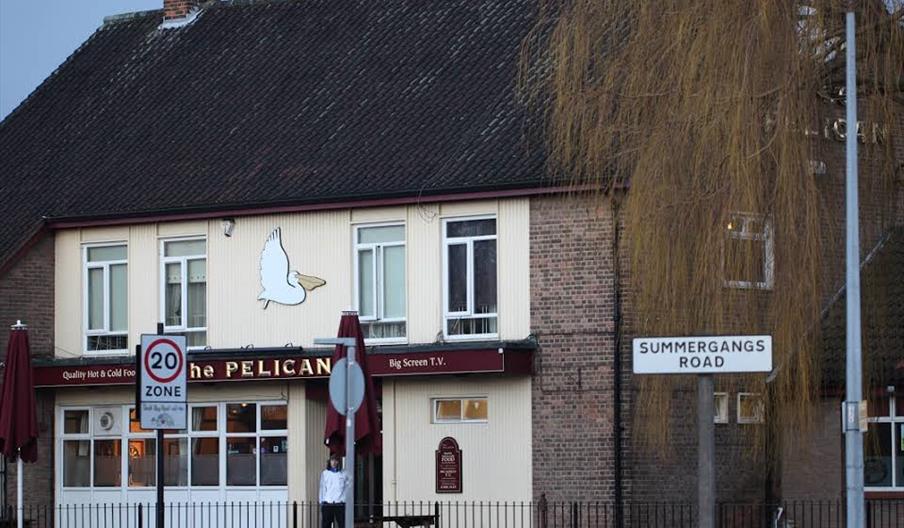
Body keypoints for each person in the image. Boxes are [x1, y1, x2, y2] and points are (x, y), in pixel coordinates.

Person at [319, 453, 348, 528]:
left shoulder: (344, 473)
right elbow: (322, 488)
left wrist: (344, 500)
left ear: (338, 462)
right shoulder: (325, 473)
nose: (334, 462)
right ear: (329, 462)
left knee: (342, 524)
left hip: (340, 503)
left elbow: (346, 488)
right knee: (326, 524)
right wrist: (322, 501)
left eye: (336, 460)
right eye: (332, 460)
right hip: (328, 503)